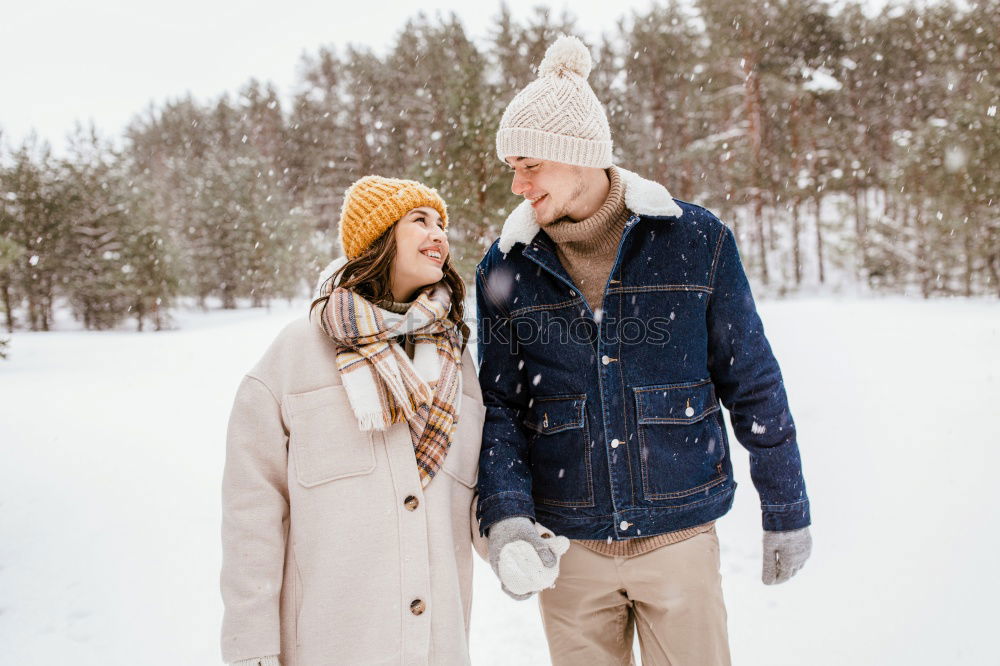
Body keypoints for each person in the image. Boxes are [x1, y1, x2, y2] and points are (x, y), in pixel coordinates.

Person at [475, 35, 813, 665]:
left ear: (573, 156)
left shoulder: (694, 239)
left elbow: (753, 381)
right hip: (569, 551)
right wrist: (507, 518)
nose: (518, 184)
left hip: (678, 537)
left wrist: (786, 503)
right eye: (511, 169)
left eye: (529, 164)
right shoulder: (507, 266)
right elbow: (500, 406)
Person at [220, 176, 487, 666]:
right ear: (379, 238)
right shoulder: (295, 355)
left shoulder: (456, 362)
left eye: (443, 224)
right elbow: (251, 512)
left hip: (436, 647)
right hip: (332, 642)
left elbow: (476, 496)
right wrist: (250, 646)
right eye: (420, 220)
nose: (440, 235)